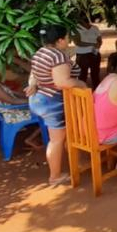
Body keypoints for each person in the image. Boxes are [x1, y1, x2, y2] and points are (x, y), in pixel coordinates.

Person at [28, 25, 85, 186]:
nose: (69, 40)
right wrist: (80, 84)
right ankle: (55, 176)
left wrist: (34, 83)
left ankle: (77, 163)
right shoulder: (58, 57)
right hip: (52, 102)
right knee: (57, 140)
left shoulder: (41, 52)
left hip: (41, 98)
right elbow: (62, 82)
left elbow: (34, 74)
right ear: (60, 40)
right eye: (67, 37)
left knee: (64, 136)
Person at [0, 75, 42, 149]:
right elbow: (12, 101)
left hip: (14, 109)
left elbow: (12, 93)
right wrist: (32, 101)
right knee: (47, 112)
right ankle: (30, 138)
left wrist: (29, 95)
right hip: (12, 113)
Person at [74, 19, 102, 87]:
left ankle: (96, 92)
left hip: (94, 53)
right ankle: (82, 93)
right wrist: (92, 44)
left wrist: (99, 44)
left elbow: (99, 39)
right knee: (82, 75)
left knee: (95, 75)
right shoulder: (76, 28)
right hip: (82, 55)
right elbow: (78, 42)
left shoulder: (94, 28)